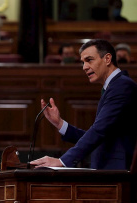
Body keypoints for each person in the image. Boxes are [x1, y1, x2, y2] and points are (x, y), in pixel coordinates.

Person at [30, 39, 137, 170]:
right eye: (83, 62)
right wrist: (60, 124)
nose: (84, 67)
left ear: (107, 59)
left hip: (118, 171)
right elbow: (98, 136)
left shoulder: (122, 86)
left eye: (89, 60)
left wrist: (63, 161)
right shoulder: (113, 86)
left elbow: (98, 131)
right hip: (108, 170)